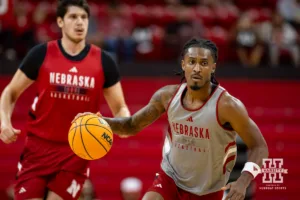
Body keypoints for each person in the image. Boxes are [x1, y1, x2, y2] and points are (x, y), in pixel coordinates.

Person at [76, 38, 269, 200]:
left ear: (213, 68)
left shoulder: (228, 106)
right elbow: (131, 126)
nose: (196, 68)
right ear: (183, 64)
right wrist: (99, 121)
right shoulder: (167, 97)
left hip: (209, 191)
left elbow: (259, 146)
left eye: (203, 63)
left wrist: (244, 181)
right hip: (170, 181)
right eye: (191, 61)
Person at [0, 0, 130, 199]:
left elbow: (120, 107)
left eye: (84, 17)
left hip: (75, 154)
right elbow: (10, 92)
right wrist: (4, 122)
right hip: (37, 150)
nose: (79, 22)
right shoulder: (42, 53)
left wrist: (125, 123)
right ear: (60, 22)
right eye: (73, 17)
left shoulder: (104, 61)